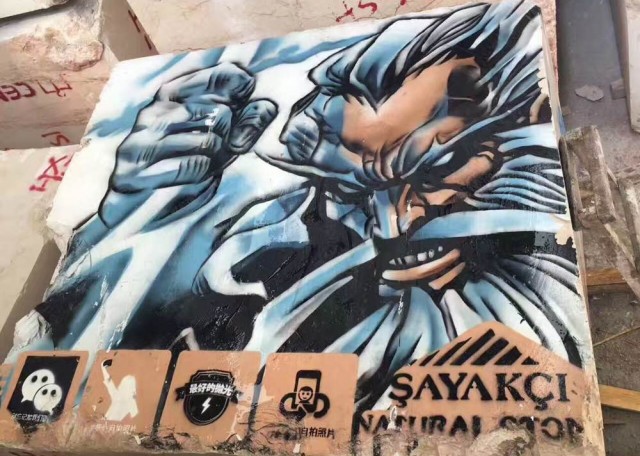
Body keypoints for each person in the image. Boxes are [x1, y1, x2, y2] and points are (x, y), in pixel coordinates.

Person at [9, 0, 589, 410]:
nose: (396, 216)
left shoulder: (516, 279)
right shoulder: (270, 218)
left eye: (434, 172)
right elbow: (91, 358)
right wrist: (145, 216)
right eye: (353, 181)